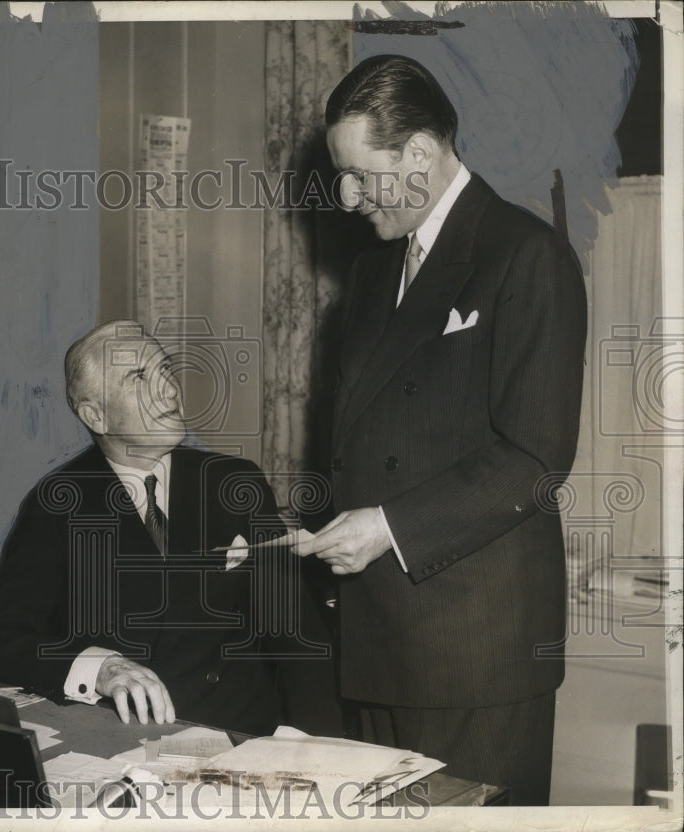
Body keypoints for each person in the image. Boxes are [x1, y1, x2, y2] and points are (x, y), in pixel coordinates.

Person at [295, 55, 587, 804]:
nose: (347, 196)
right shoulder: (371, 274)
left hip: (473, 653)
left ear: (420, 154)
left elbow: (534, 457)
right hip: (376, 637)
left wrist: (387, 526)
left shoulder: (526, 255)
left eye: (362, 174)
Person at [0, 321, 340, 736]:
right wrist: (101, 667)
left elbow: (297, 636)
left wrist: (321, 749)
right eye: (139, 377)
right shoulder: (59, 501)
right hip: (125, 740)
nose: (168, 389)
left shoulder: (235, 483)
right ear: (97, 415)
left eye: (165, 370)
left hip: (238, 735)